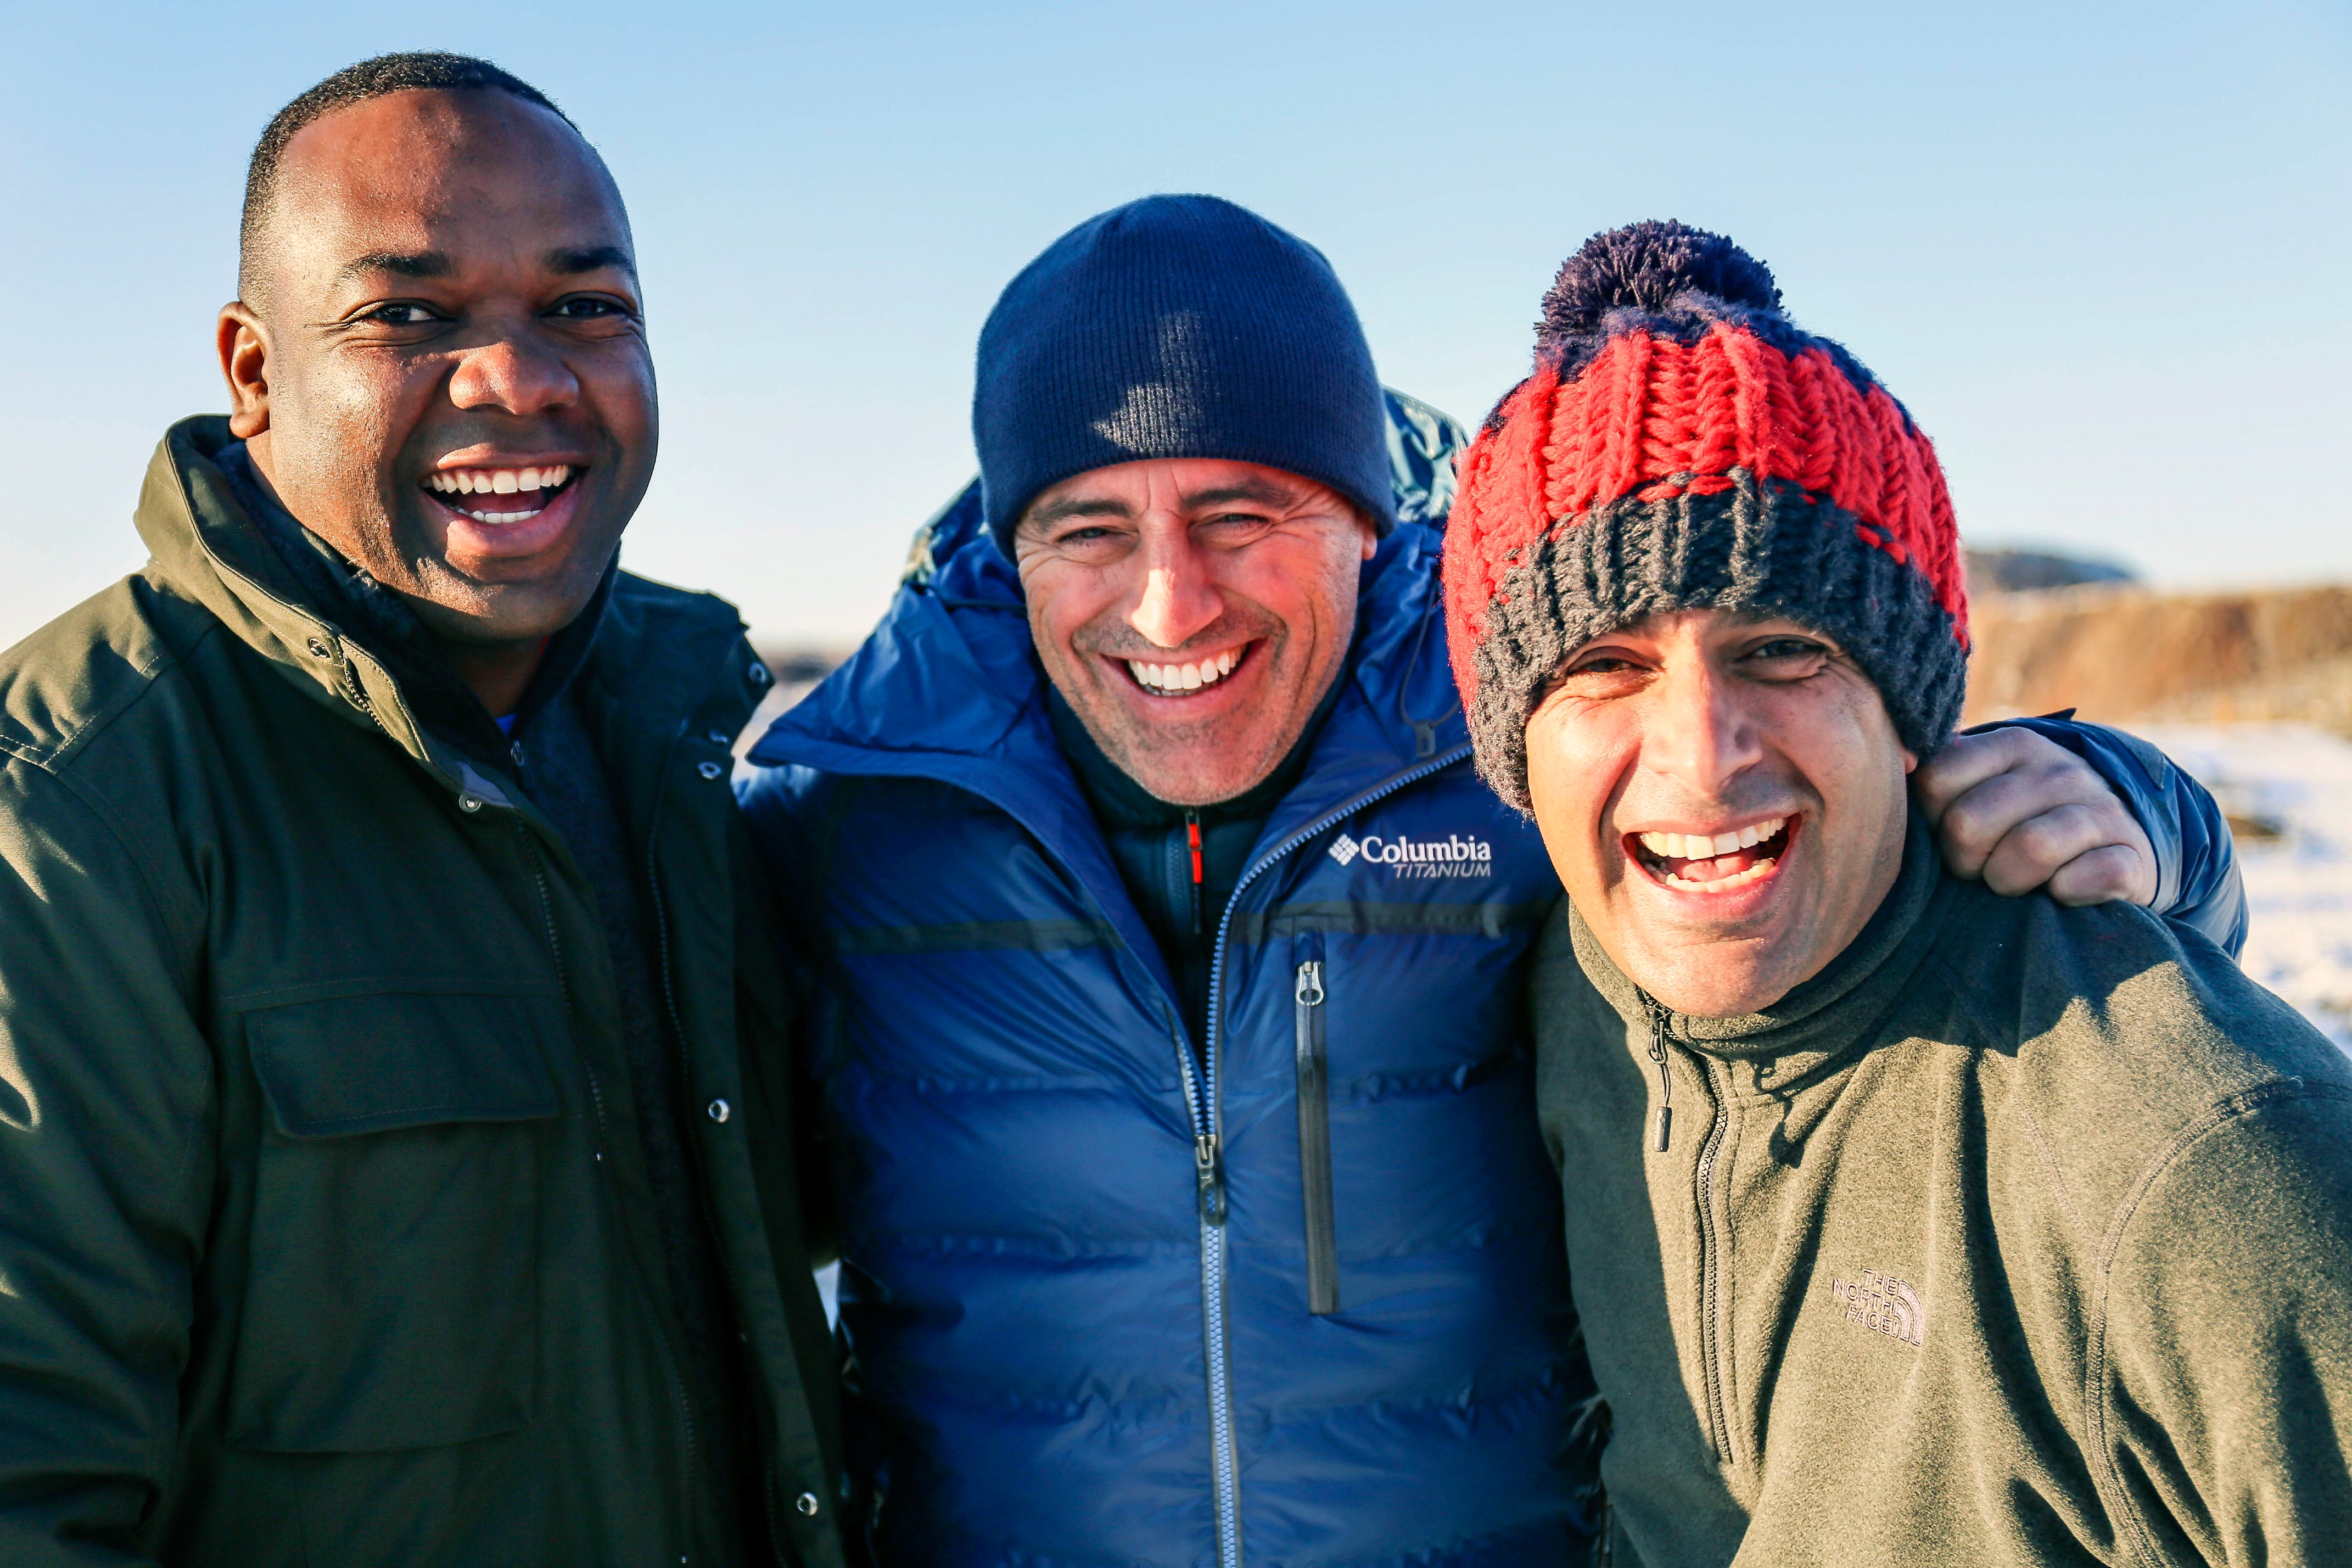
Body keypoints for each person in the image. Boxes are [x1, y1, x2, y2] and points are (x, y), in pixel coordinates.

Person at [740, 195, 2241, 1566]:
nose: (1167, 600)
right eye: (1089, 529)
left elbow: (1822, 819)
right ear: (1013, 551)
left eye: (1241, 516)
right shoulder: (856, 818)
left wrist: (2136, 813)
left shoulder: (1522, 745)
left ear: (1363, 519)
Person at [0, 54, 842, 1566]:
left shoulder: (691, 747)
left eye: (584, 308)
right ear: (253, 374)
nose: (518, 380)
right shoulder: (75, 798)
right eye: (409, 316)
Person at [1442, 219, 2352, 1565]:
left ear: (1912, 712)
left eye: (1783, 648)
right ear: (1516, 742)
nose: (1702, 755)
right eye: (1605, 665)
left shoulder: (2197, 1152)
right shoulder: (1566, 999)